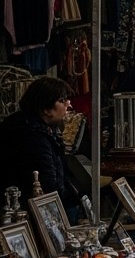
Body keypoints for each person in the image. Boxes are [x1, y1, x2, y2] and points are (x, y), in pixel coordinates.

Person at [0, 76, 81, 216]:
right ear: (46, 109)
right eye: (62, 101)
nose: (69, 105)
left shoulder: (43, 129)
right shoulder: (32, 135)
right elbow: (48, 185)